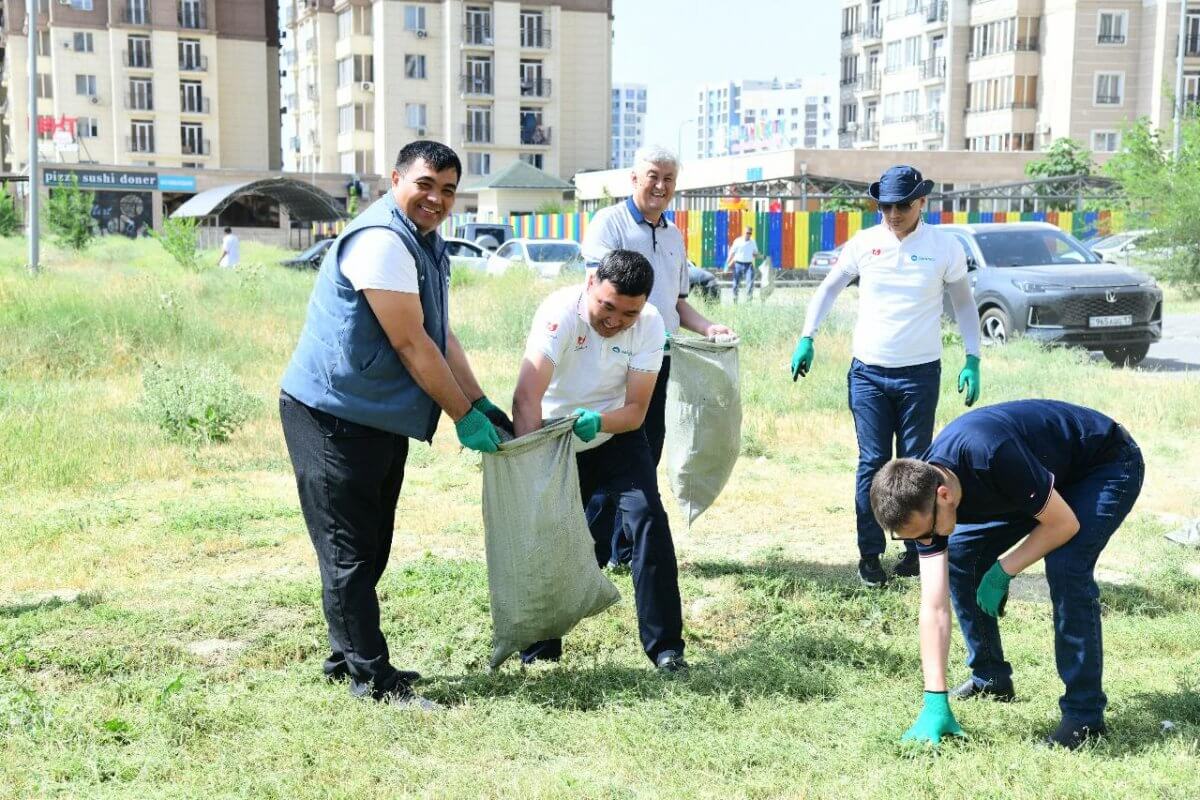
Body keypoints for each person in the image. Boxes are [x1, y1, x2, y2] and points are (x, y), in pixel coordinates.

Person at [278, 141, 511, 707]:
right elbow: (411, 346)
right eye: (426, 184)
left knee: (371, 542)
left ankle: (345, 654)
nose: (437, 199)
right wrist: (461, 417)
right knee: (348, 551)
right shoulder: (382, 242)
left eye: (449, 190)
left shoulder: (427, 245)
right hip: (332, 414)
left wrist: (479, 402)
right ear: (396, 179)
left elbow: (439, 334)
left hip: (375, 416)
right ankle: (370, 678)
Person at [870, 400, 1144, 749]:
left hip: (1103, 464)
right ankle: (991, 678)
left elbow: (1063, 523)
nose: (927, 542)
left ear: (944, 495)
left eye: (926, 533)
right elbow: (934, 605)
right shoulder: (922, 498)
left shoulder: (990, 454)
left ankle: (1085, 717)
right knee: (962, 556)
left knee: (1066, 566)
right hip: (1034, 481)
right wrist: (934, 699)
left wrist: (1004, 569)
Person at [790, 165, 982, 587]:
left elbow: (965, 305)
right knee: (872, 464)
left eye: (902, 206)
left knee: (918, 466)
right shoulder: (865, 243)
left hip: (919, 375)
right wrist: (807, 337)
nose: (893, 214)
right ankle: (870, 554)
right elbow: (828, 290)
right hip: (869, 374)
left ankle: (918, 551)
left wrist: (973, 358)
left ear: (921, 203)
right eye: (885, 206)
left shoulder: (944, 247)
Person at [511, 249, 687, 673]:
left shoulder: (649, 325)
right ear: (591, 284)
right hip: (553, 436)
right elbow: (526, 397)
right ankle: (539, 649)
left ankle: (666, 649)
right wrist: (533, 465)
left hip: (615, 433)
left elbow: (637, 412)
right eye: (607, 307)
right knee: (552, 540)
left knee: (648, 520)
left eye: (628, 313)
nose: (615, 321)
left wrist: (600, 421)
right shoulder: (559, 313)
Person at [581, 145, 734, 566]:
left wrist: (707, 327)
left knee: (647, 452)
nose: (660, 186)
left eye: (669, 179)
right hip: (613, 357)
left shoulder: (673, 234)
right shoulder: (607, 224)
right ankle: (590, 554)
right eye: (653, 176)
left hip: (660, 361)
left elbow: (676, 303)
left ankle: (626, 552)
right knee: (605, 450)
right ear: (634, 179)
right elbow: (599, 295)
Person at [726, 227, 760, 302]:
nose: (748, 235)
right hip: (738, 264)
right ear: (743, 232)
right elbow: (732, 253)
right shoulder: (738, 241)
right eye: (747, 233)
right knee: (736, 284)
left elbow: (755, 254)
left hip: (749, 265)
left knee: (750, 284)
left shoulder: (753, 242)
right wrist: (727, 265)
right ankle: (735, 300)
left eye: (750, 233)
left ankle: (749, 302)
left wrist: (758, 255)